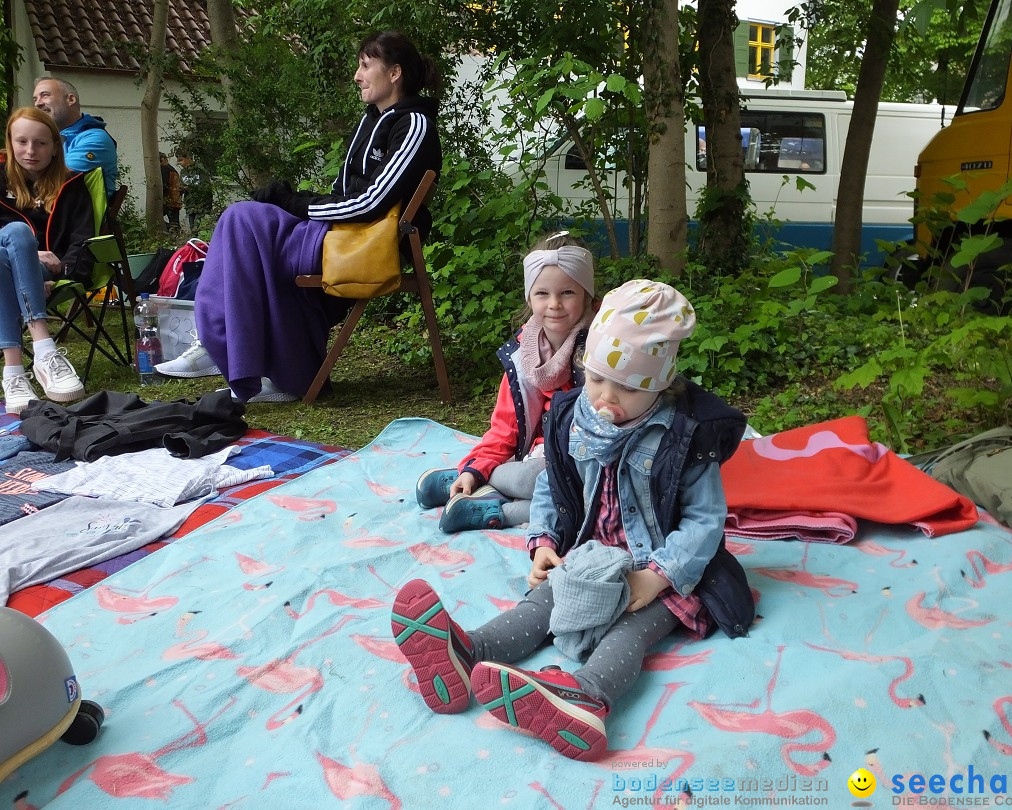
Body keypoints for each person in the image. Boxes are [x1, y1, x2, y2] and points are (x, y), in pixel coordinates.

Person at [391, 280, 754, 761]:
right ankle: (466, 654)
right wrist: (543, 541)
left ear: (661, 383)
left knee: (630, 629)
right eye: (597, 378)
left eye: (626, 387)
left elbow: (706, 520)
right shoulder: (575, 417)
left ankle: (585, 698)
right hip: (589, 555)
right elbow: (552, 486)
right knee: (543, 601)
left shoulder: (685, 438)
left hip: (661, 570)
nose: (605, 396)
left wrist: (659, 577)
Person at [154, 30, 443, 403]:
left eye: (365, 65)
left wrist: (295, 204)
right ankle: (264, 361)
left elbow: (371, 203)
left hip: (366, 243)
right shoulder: (370, 120)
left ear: (394, 74)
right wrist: (294, 199)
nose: (357, 75)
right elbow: (343, 193)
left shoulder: (413, 125)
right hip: (340, 233)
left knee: (244, 222)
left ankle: (221, 340)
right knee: (242, 219)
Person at [415, 232, 597, 533]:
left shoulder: (601, 347)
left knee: (563, 498)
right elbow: (505, 426)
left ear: (587, 295)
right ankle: (470, 476)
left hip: (578, 463)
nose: (554, 304)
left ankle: (491, 505)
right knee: (536, 481)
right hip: (533, 458)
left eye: (567, 293)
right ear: (529, 296)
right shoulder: (523, 354)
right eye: (542, 294)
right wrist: (477, 465)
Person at [1, 108, 93, 414]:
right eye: (22, 141)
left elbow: (83, 239)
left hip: (49, 271)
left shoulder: (73, 184)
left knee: (11, 243)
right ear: (10, 143)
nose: (31, 151)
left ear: (56, 146)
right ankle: (43, 349)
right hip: (12, 265)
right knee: (13, 237)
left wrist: (60, 271)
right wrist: (27, 250)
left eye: (41, 143)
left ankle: (13, 372)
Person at [32, 77, 118, 199]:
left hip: (74, 217)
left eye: (45, 95)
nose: (37, 103)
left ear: (70, 99)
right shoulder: (50, 139)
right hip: (47, 212)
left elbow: (54, 179)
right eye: (35, 99)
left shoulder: (96, 139)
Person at [177, 150, 213, 230]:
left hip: (201, 204)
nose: (179, 163)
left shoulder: (200, 169)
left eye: (181, 160)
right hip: (190, 205)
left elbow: (206, 186)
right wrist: (180, 189)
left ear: (188, 158)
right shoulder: (183, 172)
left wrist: (191, 188)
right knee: (192, 227)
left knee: (197, 227)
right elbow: (181, 185)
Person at [160, 152, 182, 232]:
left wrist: (161, 199)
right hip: (176, 200)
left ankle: (175, 233)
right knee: (175, 222)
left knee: (157, 219)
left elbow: (164, 185)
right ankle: (178, 235)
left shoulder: (164, 169)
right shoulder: (172, 169)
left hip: (169, 200)